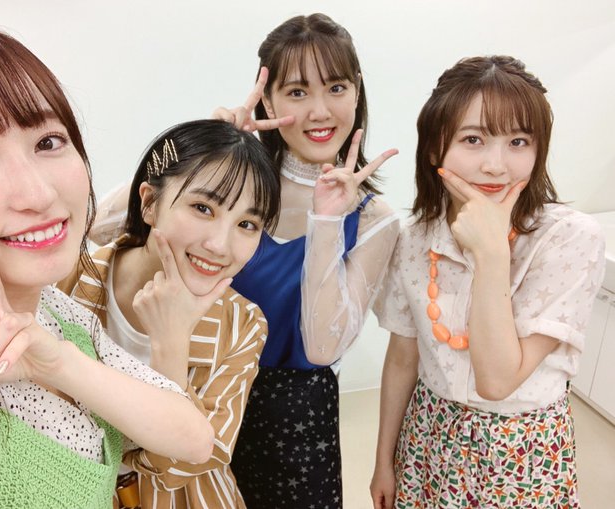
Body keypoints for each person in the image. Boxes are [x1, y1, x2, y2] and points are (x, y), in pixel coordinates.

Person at [0, 14, 214, 509]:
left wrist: (60, 363)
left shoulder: (59, 315)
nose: (39, 194)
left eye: (48, 141)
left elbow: (193, 438)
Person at [370, 55, 605, 509]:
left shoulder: (569, 239)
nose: (496, 166)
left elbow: (497, 381)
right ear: (435, 148)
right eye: (473, 139)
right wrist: (384, 459)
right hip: (428, 436)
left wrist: (492, 253)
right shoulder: (415, 238)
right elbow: (402, 358)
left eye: (518, 141)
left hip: (522, 451)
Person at [210, 13, 400, 508]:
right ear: (268, 102)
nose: (320, 111)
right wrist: (208, 152)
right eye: (297, 92)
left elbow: (320, 347)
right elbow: (106, 226)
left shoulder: (374, 219)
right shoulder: (237, 184)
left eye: (336, 87)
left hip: (295, 422)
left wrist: (327, 222)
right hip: (202, 400)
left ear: (356, 91)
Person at [59, 119, 279, 508]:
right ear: (149, 203)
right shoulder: (66, 281)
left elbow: (190, 461)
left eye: (247, 224)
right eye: (203, 208)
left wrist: (171, 344)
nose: (220, 245)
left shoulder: (244, 324)